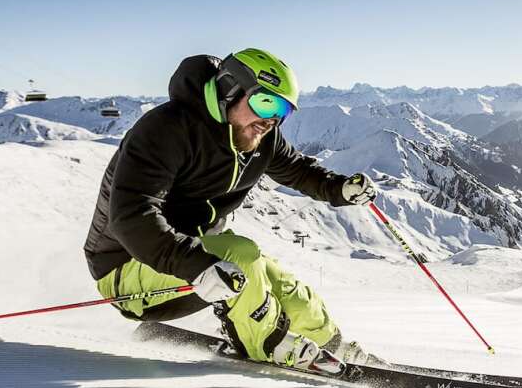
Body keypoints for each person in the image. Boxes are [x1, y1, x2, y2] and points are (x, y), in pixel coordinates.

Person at [83, 48, 378, 369]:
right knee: (240, 255)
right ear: (229, 89)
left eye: (283, 110)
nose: (271, 119)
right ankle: (267, 343)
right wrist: (195, 264)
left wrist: (339, 188)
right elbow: (131, 216)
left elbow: (297, 169)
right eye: (266, 102)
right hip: (128, 270)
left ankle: (334, 346)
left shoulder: (258, 136)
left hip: (200, 260)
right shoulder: (164, 131)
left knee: (279, 282)